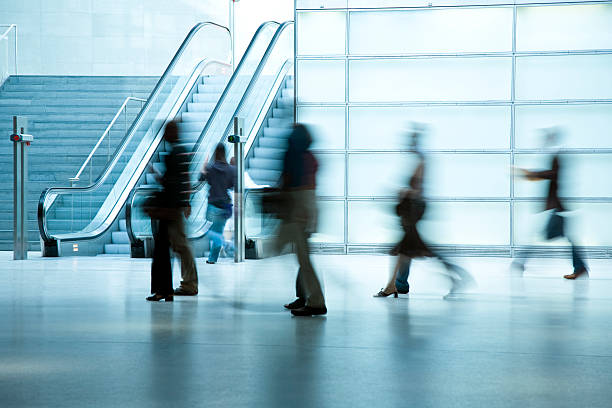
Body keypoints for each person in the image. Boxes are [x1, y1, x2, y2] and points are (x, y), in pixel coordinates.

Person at [374, 125, 474, 298]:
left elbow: (418, 191)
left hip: (414, 211)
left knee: (415, 249)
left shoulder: (421, 162)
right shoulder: (419, 161)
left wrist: (401, 192)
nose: (408, 145)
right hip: (414, 211)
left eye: (411, 142)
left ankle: (456, 278)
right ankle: (398, 285)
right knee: (406, 251)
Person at [514, 128, 588, 280]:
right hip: (558, 207)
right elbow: (552, 175)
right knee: (561, 237)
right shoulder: (557, 155)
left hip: (557, 207)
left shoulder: (558, 155)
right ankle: (580, 268)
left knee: (540, 235)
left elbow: (553, 175)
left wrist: (531, 174)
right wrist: (533, 175)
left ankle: (520, 262)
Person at [277, 124, 327, 316]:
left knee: (303, 258)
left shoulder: (295, 156)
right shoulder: (310, 157)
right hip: (308, 205)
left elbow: (291, 182)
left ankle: (315, 301)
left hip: (298, 208)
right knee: (302, 256)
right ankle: (305, 296)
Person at [146, 121, 196, 300]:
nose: (164, 135)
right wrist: (186, 201)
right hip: (174, 207)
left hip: (171, 208)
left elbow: (174, 183)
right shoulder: (180, 152)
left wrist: (181, 203)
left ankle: (185, 285)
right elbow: (184, 179)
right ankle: (170, 289)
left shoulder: (176, 153)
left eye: (168, 131)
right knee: (175, 246)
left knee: (176, 246)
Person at [200, 143, 236, 264]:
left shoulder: (210, 167)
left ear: (215, 153)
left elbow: (200, 178)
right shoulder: (231, 169)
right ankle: (212, 258)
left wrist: (204, 166)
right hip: (224, 206)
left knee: (207, 230)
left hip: (212, 204)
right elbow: (232, 186)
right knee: (218, 231)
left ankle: (223, 244)